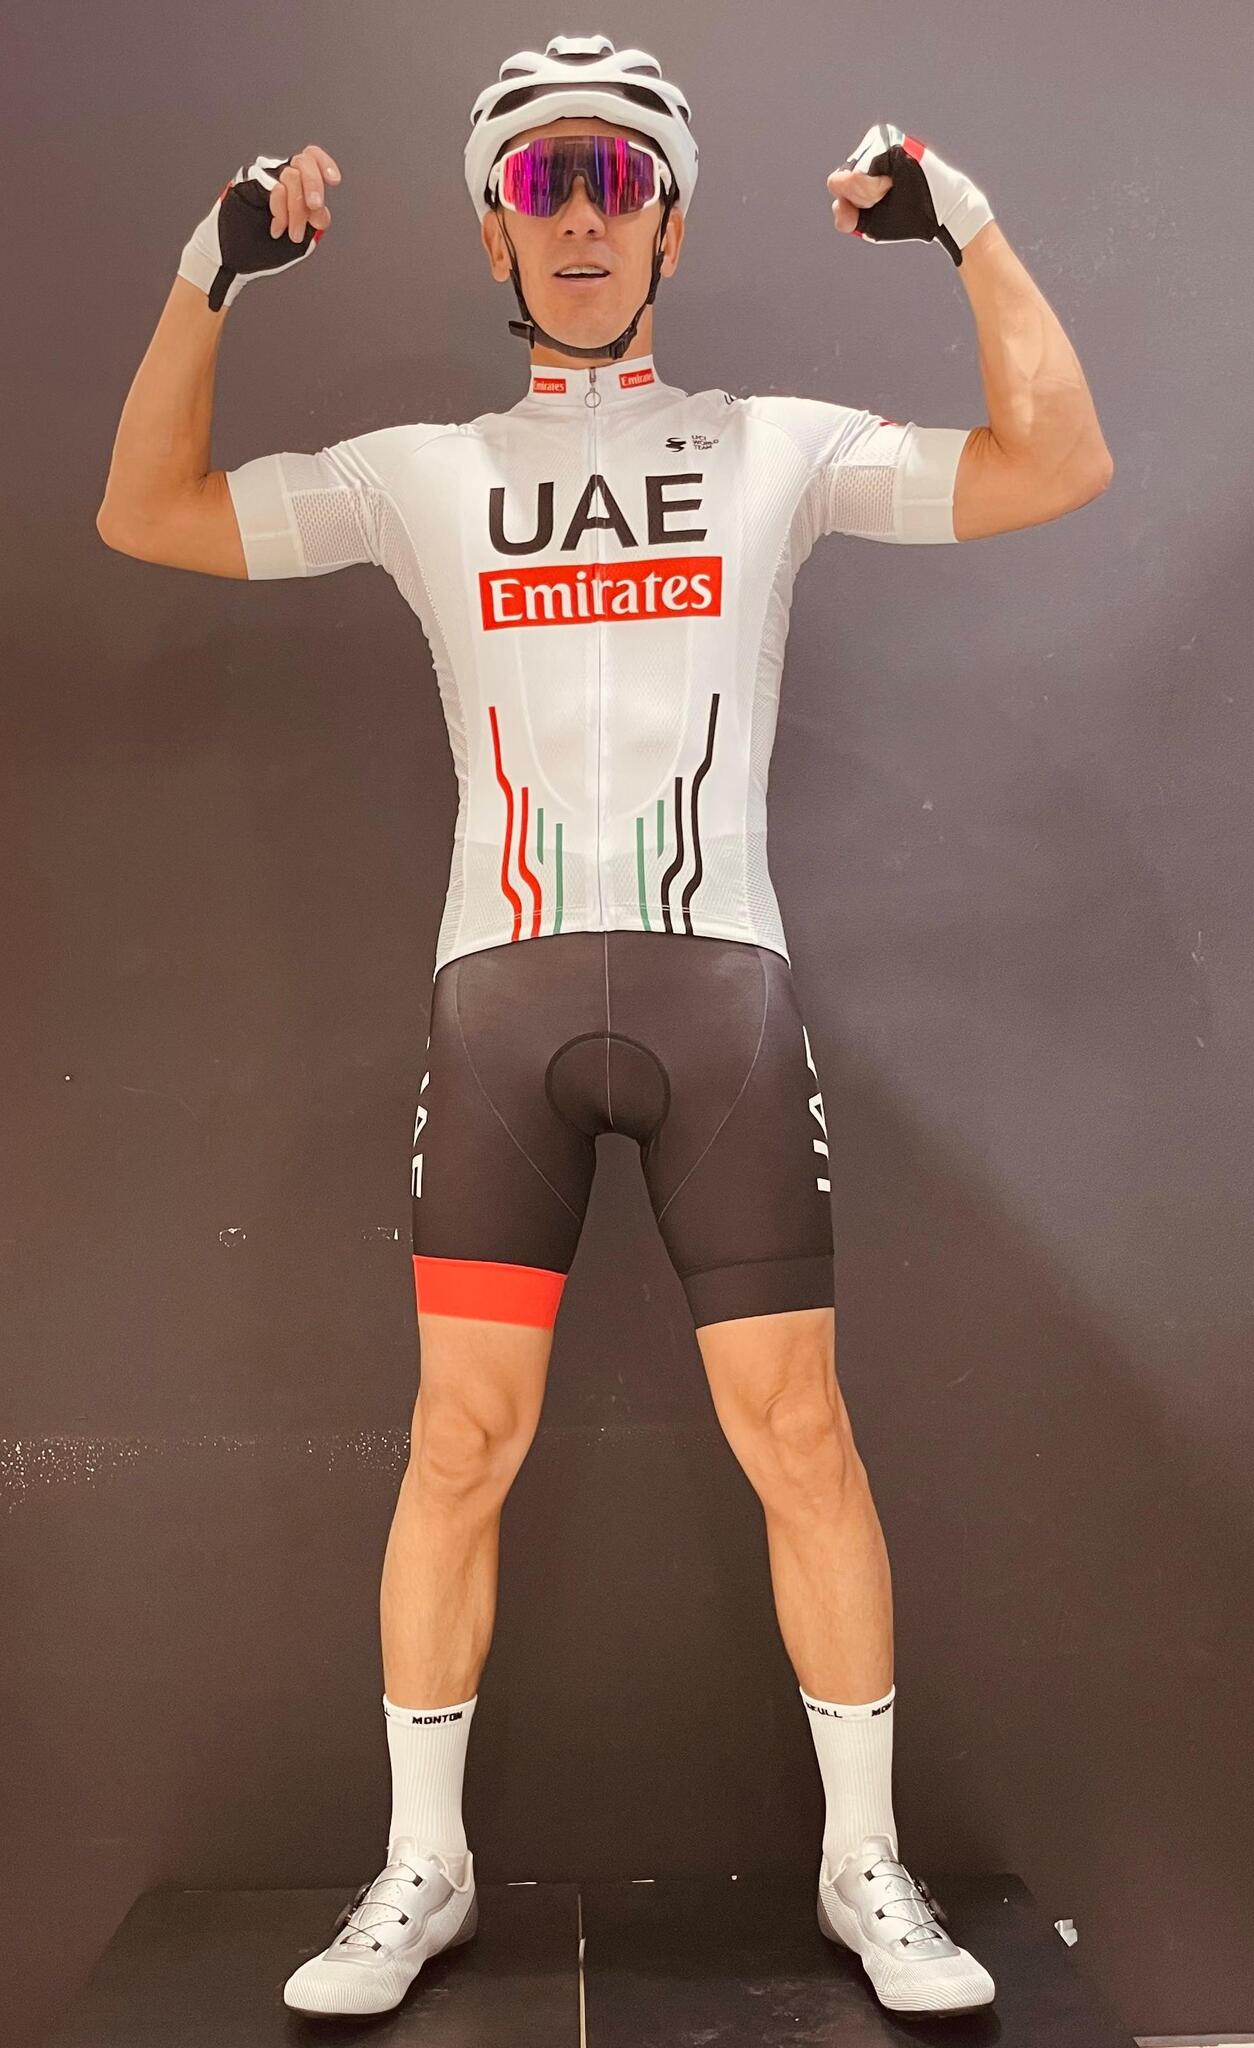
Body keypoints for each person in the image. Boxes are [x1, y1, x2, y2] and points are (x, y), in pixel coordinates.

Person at [96, 31, 1112, 2023]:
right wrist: (209, 273)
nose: (580, 217)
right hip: (501, 1008)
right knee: (455, 1442)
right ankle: (425, 1865)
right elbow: (146, 509)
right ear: (494, 225)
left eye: (618, 179)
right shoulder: (423, 475)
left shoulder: (776, 448)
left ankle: (862, 1861)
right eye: (542, 182)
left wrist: (969, 229)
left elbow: (1055, 462)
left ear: (671, 225)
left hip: (720, 992)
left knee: (801, 1435)